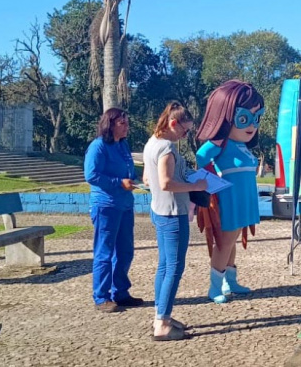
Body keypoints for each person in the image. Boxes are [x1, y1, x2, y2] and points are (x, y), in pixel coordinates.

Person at [195, 80, 264, 304]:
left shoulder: (242, 145)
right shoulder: (220, 144)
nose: (252, 125)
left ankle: (229, 280)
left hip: (244, 199)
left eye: (257, 117)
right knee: (224, 242)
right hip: (228, 199)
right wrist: (212, 178)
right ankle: (215, 286)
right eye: (244, 118)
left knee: (232, 241)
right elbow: (201, 158)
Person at [143, 102, 207, 341]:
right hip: (172, 213)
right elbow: (165, 183)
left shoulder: (152, 143)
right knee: (174, 268)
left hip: (159, 210)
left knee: (164, 266)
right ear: (173, 124)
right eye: (185, 130)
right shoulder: (167, 147)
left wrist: (184, 175)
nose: (185, 135)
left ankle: (161, 315)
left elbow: (147, 179)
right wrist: (196, 186)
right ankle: (162, 323)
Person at [84, 108, 143, 313]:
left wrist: (136, 179)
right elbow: (91, 175)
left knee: (125, 251)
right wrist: (119, 183)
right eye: (122, 123)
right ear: (110, 124)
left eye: (127, 123)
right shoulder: (98, 146)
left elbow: (130, 170)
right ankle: (101, 297)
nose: (126, 127)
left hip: (125, 205)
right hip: (106, 206)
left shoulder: (123, 145)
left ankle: (121, 293)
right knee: (104, 252)